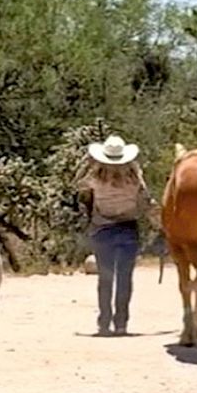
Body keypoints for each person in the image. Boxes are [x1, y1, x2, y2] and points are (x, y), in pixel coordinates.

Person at [76, 134, 160, 336]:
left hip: (102, 229)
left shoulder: (95, 179)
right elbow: (146, 202)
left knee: (105, 279)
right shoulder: (134, 180)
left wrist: (87, 164)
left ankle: (104, 322)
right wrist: (158, 224)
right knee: (125, 278)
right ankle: (121, 322)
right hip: (127, 229)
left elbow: (79, 189)